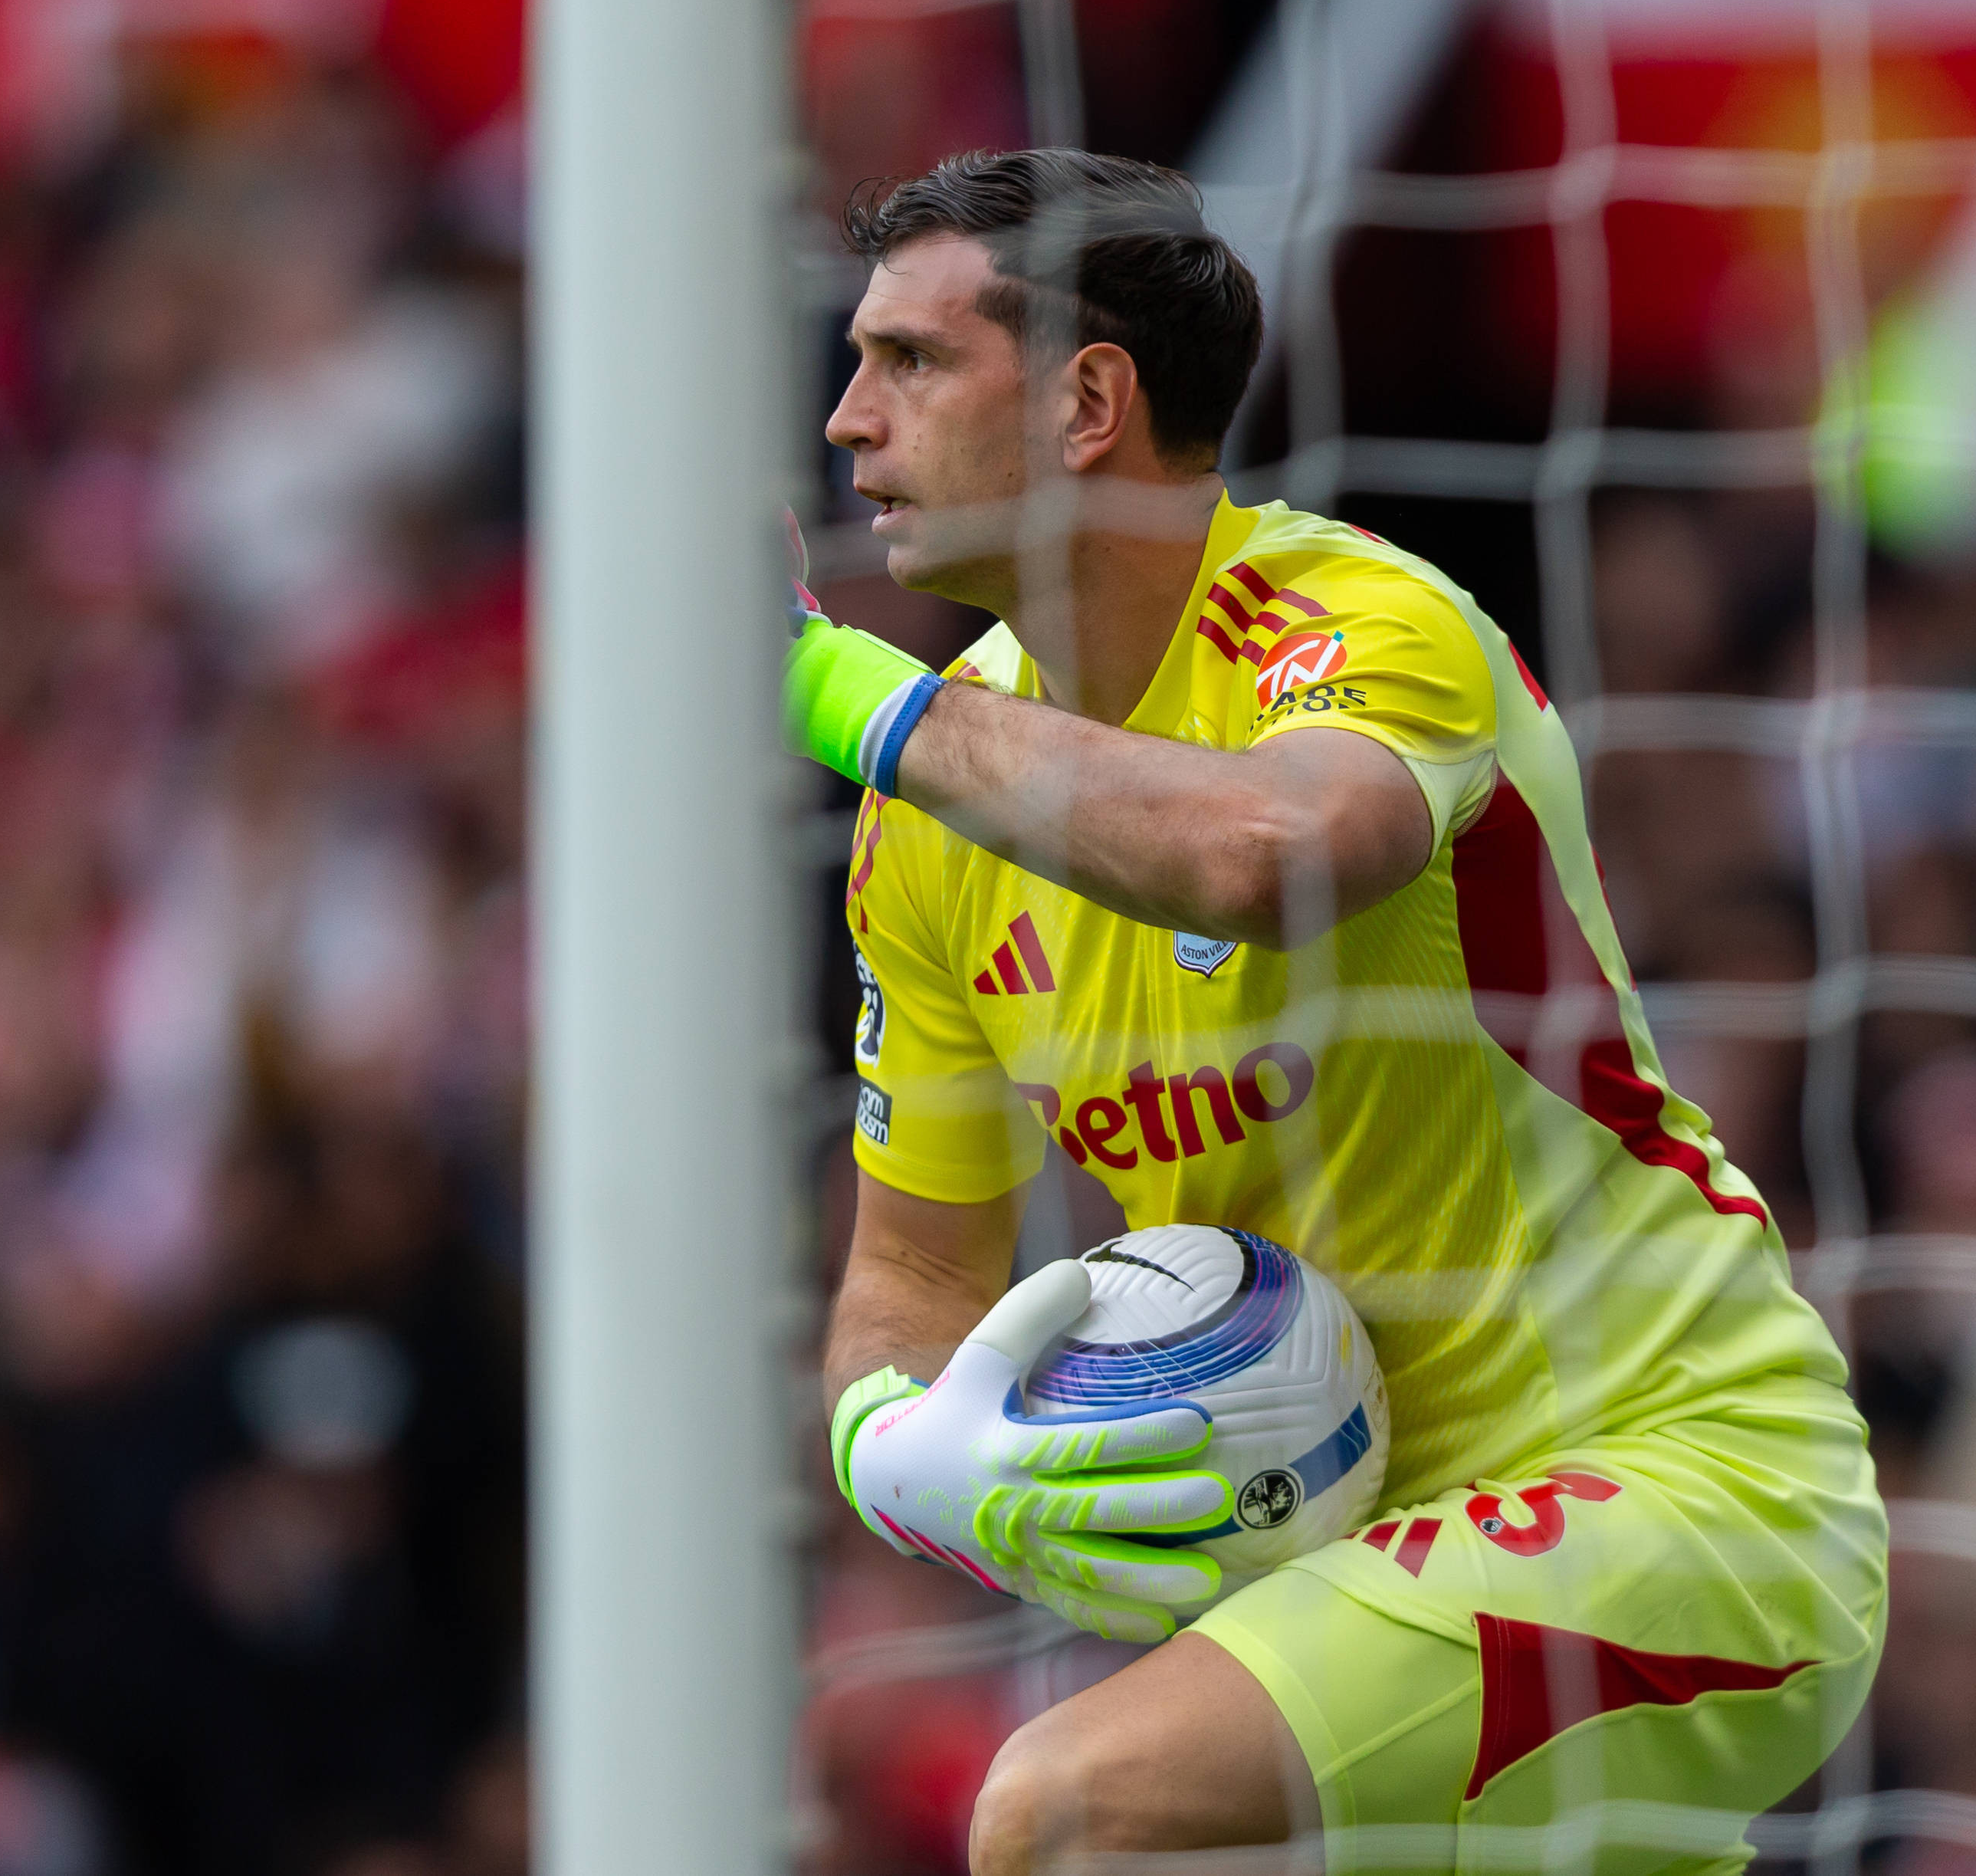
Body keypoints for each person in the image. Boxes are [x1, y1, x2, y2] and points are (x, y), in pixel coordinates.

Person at [782, 149, 1886, 1876]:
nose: (850, 421)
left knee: (1069, 1812)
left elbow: (1268, 849)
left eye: (911, 360)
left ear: (1089, 400)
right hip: (1355, 1557)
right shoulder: (924, 822)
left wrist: (843, 690)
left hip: (1682, 1480)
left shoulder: (1360, 620)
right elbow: (911, 1270)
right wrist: (899, 1446)